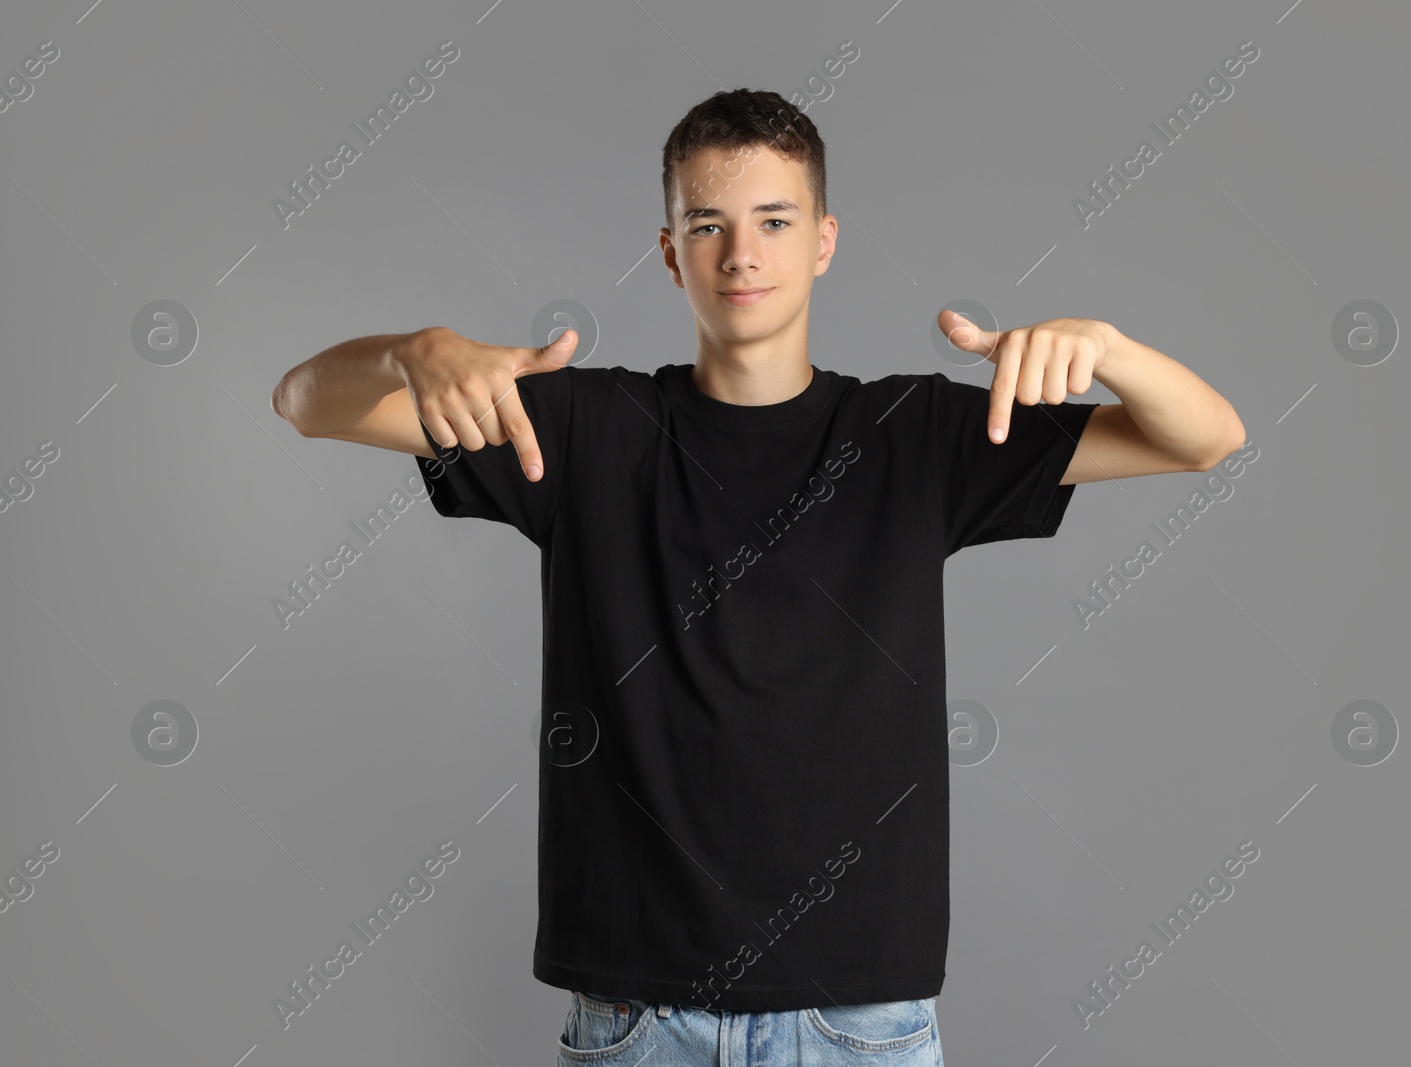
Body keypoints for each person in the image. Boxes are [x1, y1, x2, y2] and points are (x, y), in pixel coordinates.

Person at [271, 88, 1244, 1066]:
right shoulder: (577, 431)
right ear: (669, 251)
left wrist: (1108, 349)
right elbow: (306, 401)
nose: (742, 253)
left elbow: (1205, 438)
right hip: (637, 1015)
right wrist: (413, 351)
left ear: (822, 240)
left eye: (773, 221)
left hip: (858, 1016)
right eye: (708, 223)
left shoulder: (919, 434)